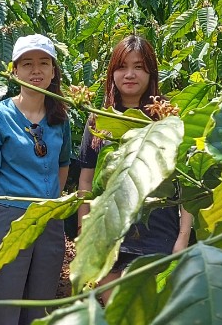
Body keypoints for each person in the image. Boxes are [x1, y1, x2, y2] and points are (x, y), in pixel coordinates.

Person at [0, 34, 71, 325]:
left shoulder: (60, 118)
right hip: (8, 219)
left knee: (40, 307)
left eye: (44, 63)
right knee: (3, 306)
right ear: (14, 70)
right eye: (27, 64)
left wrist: (53, 205)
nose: (36, 70)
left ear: (54, 71)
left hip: (49, 220)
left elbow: (63, 165)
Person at [76, 36, 191, 281]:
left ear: (151, 73)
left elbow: (187, 182)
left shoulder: (168, 120)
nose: (130, 74)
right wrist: (84, 232)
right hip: (109, 239)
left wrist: (183, 237)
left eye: (138, 67)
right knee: (116, 316)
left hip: (158, 240)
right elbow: (86, 181)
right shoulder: (98, 119)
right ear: (112, 73)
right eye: (122, 67)